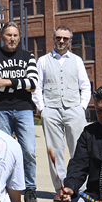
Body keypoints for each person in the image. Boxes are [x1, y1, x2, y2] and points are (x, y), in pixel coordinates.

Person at [0, 22, 40, 202]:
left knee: (29, 150)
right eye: (8, 35)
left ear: (19, 37)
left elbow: (32, 84)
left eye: (15, 35)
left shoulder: (28, 57)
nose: (12, 39)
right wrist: (19, 82)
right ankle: (6, 187)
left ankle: (30, 188)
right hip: (1, 109)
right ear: (2, 36)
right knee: (4, 150)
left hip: (24, 109)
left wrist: (6, 82)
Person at [34, 25, 92, 191]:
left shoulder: (77, 60)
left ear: (69, 41)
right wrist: (42, 108)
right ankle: (60, 189)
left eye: (65, 39)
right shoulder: (43, 60)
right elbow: (37, 86)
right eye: (58, 38)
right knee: (54, 152)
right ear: (54, 39)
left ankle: (80, 189)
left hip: (74, 109)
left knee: (79, 150)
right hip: (51, 110)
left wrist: (81, 107)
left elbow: (85, 85)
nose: (61, 41)